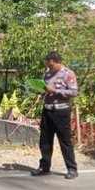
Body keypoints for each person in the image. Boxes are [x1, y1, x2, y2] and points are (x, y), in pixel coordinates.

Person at [32, 51, 79, 180]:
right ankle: (44, 167)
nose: (49, 67)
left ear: (59, 62)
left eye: (51, 65)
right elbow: (46, 89)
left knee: (65, 141)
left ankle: (72, 169)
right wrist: (41, 90)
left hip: (61, 111)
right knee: (45, 141)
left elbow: (74, 92)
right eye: (48, 65)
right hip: (47, 110)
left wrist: (56, 91)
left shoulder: (68, 74)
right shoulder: (47, 74)